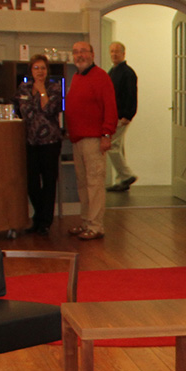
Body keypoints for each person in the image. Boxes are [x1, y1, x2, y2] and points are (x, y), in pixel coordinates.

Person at [64, 40, 116, 240]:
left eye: (83, 51)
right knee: (83, 183)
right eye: (76, 52)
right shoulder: (77, 77)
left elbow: (110, 107)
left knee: (94, 183)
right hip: (78, 139)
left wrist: (106, 135)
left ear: (92, 54)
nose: (79, 55)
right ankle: (86, 221)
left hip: (94, 139)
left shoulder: (101, 77)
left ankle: (96, 226)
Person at [17, 54, 64, 235]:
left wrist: (43, 92)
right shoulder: (24, 88)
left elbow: (50, 109)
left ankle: (45, 222)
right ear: (31, 70)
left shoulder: (54, 87)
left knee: (49, 181)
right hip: (31, 141)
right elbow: (25, 112)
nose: (40, 71)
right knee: (32, 182)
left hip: (50, 141)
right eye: (36, 68)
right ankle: (39, 215)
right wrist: (37, 95)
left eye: (43, 68)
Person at [106, 40, 138, 192]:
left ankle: (126, 175)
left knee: (111, 145)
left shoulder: (127, 73)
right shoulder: (112, 71)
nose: (114, 54)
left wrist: (127, 115)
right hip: (114, 115)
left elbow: (131, 95)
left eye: (117, 51)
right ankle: (122, 180)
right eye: (112, 51)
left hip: (121, 116)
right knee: (118, 147)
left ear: (123, 54)